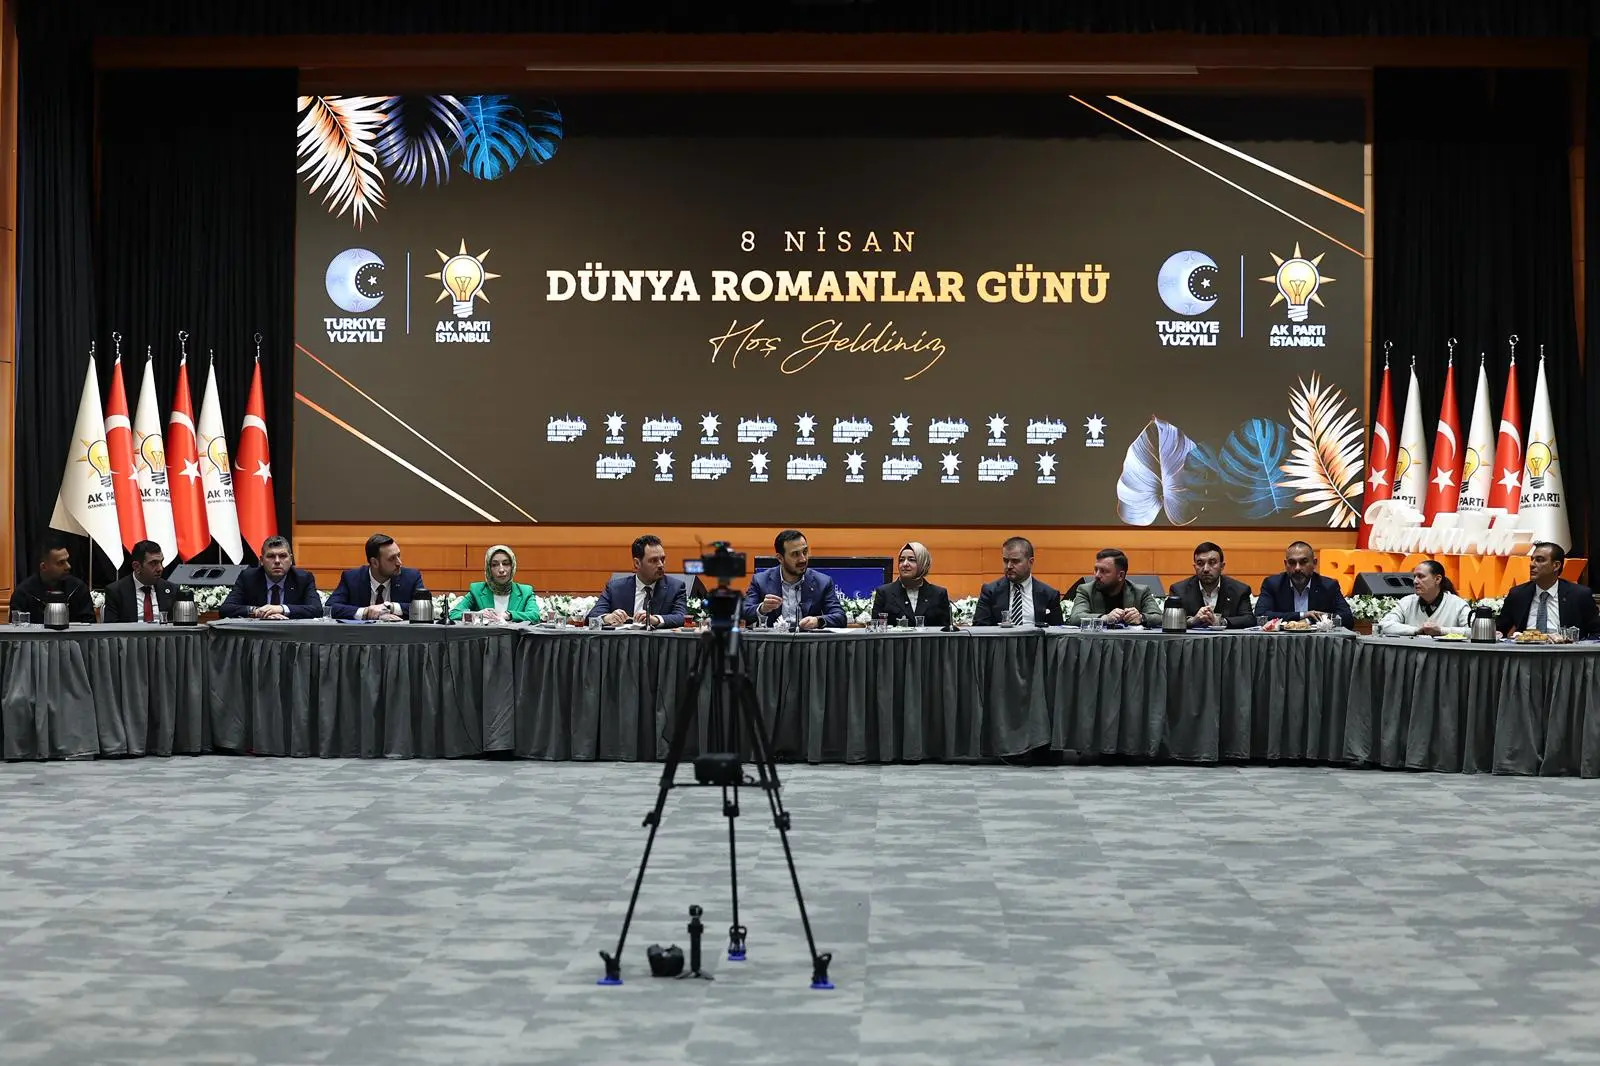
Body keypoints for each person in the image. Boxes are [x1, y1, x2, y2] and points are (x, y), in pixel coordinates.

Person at [742, 529, 846, 630]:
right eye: (795, 554)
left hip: (808, 640)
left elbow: (840, 617)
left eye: (805, 552)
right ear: (780, 558)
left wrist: (818, 621)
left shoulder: (823, 582)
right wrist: (762, 608)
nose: (803, 559)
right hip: (774, 640)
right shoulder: (760, 580)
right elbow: (744, 612)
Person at [1496, 541, 1599, 637]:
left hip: (1565, 649)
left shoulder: (1579, 595)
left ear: (1556, 565)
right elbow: (1499, 630)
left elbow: (1597, 633)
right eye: (1532, 559)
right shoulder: (1518, 594)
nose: (1532, 564)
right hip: (1526, 649)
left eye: (1539, 560)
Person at [588, 534, 687, 628]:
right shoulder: (615, 588)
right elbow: (592, 617)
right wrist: (607, 618)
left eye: (662, 559)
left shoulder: (676, 587)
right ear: (637, 563)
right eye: (653, 560)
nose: (661, 565)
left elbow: (682, 617)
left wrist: (656, 619)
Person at [326, 533, 428, 621]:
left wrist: (390, 607)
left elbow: (425, 609)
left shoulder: (411, 577)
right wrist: (366, 612)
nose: (399, 563)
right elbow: (330, 608)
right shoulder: (352, 578)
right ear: (374, 562)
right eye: (392, 558)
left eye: (398, 555)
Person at [220, 535, 325, 619]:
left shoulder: (303, 578)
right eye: (271, 556)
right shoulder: (248, 578)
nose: (277, 561)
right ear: (261, 561)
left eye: (283, 556)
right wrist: (257, 611)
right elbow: (226, 609)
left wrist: (281, 609)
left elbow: (316, 609)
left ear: (291, 560)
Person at [1255, 541, 1354, 628]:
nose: (1297, 568)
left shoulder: (1328, 586)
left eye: (1303, 562)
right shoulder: (1273, 584)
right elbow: (1260, 616)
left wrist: (1315, 618)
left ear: (1314, 563)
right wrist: (1302, 615)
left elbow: (1348, 619)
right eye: (1292, 563)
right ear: (1285, 564)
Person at [973, 536, 1064, 626]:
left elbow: (1058, 631)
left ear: (1031, 562)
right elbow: (979, 628)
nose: (1009, 566)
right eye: (1005, 561)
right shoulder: (990, 592)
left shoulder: (1049, 595)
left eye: (1015, 561)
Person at [1168, 541, 1256, 629]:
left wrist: (1222, 621)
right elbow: (1168, 620)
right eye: (1200, 563)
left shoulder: (1240, 590)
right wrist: (1192, 620)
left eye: (1212, 562)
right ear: (1195, 567)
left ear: (1222, 566)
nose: (1206, 569)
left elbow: (1249, 619)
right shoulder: (1179, 590)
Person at [1068, 548, 1163, 626]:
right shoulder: (1085, 590)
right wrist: (1105, 618)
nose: (1097, 575)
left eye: (1103, 571)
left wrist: (1141, 618)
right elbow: (1075, 618)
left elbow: (1160, 618)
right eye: (1096, 569)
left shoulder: (1141, 592)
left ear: (1120, 575)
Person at [8, 538, 96, 623]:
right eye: (61, 563)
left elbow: (91, 627)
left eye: (67, 560)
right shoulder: (23, 594)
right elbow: (16, 630)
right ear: (43, 567)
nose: (68, 566)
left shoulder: (78, 589)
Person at [451, 544, 542, 624]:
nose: (501, 570)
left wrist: (509, 615)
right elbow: (453, 615)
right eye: (495, 565)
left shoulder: (525, 591)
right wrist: (477, 615)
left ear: (512, 566)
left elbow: (535, 616)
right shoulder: (477, 590)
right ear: (488, 569)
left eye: (506, 564)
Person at [1377, 560, 1472, 637]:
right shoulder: (1406, 602)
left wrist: (1441, 631)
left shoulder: (1458, 604)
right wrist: (1416, 630)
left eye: (1421, 576)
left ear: (1437, 579)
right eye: (1414, 577)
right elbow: (1383, 625)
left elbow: (1475, 632)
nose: (1415, 581)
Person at [870, 541, 952, 627]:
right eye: (901, 560)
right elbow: (875, 629)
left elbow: (946, 631)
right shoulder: (884, 593)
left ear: (923, 563)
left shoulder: (938, 594)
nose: (905, 564)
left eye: (911, 560)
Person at [103, 540, 179, 623]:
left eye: (161, 562)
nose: (160, 568)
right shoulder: (116, 591)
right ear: (136, 566)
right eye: (153, 563)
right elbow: (111, 628)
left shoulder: (172, 590)